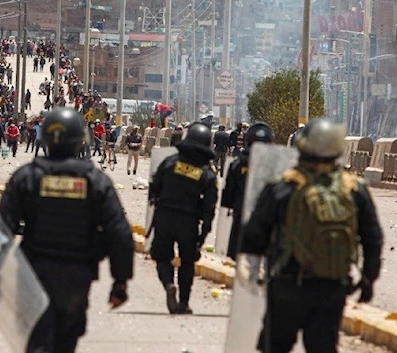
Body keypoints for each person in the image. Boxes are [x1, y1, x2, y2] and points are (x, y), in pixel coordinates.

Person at [0, 108, 134, 353]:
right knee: (65, 344)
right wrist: (120, 282)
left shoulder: (26, 178)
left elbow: (1, 230)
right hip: (77, 277)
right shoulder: (96, 182)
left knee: (36, 341)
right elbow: (120, 233)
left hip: (32, 275)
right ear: (79, 139)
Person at [241, 119, 383, 353]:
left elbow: (253, 235)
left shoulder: (284, 187)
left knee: (275, 346)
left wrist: (255, 274)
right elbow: (373, 239)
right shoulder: (354, 189)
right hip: (332, 287)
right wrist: (368, 280)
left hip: (287, 284)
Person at [149, 123, 218, 314]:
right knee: (187, 262)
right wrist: (202, 236)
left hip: (164, 216)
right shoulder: (207, 174)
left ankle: (169, 284)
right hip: (188, 221)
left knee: (162, 256)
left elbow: (154, 188)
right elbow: (209, 208)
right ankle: (184, 302)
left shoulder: (170, 162)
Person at [221, 122, 274, 260]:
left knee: (235, 258)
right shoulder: (273, 167)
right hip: (265, 220)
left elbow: (227, 197)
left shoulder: (237, 164)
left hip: (241, 217)